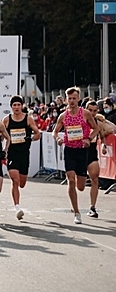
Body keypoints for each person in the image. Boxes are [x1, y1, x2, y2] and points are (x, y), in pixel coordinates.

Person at [52, 87, 99, 224]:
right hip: (69, 150)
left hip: (82, 151)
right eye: (69, 99)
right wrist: (58, 139)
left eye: (74, 98)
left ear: (78, 99)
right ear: (66, 100)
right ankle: (77, 212)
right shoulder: (63, 116)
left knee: (81, 186)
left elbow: (95, 129)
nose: (72, 101)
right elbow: (55, 132)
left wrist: (88, 139)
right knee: (71, 180)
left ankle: (76, 201)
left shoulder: (85, 113)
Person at [2, 95, 41, 220]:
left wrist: (31, 138)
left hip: (24, 153)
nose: (17, 107)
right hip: (12, 153)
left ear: (22, 106)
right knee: (15, 180)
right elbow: (1, 135)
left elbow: (38, 133)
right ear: (11, 107)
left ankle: (17, 202)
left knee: (22, 183)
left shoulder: (28, 119)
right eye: (14, 105)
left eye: (19, 105)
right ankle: (17, 207)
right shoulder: (6, 120)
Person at [85, 101, 102, 218]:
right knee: (78, 185)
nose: (92, 113)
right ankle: (74, 203)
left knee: (95, 178)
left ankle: (92, 207)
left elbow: (111, 129)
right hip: (78, 154)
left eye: (95, 111)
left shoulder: (98, 123)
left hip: (91, 154)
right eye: (90, 110)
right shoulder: (79, 120)